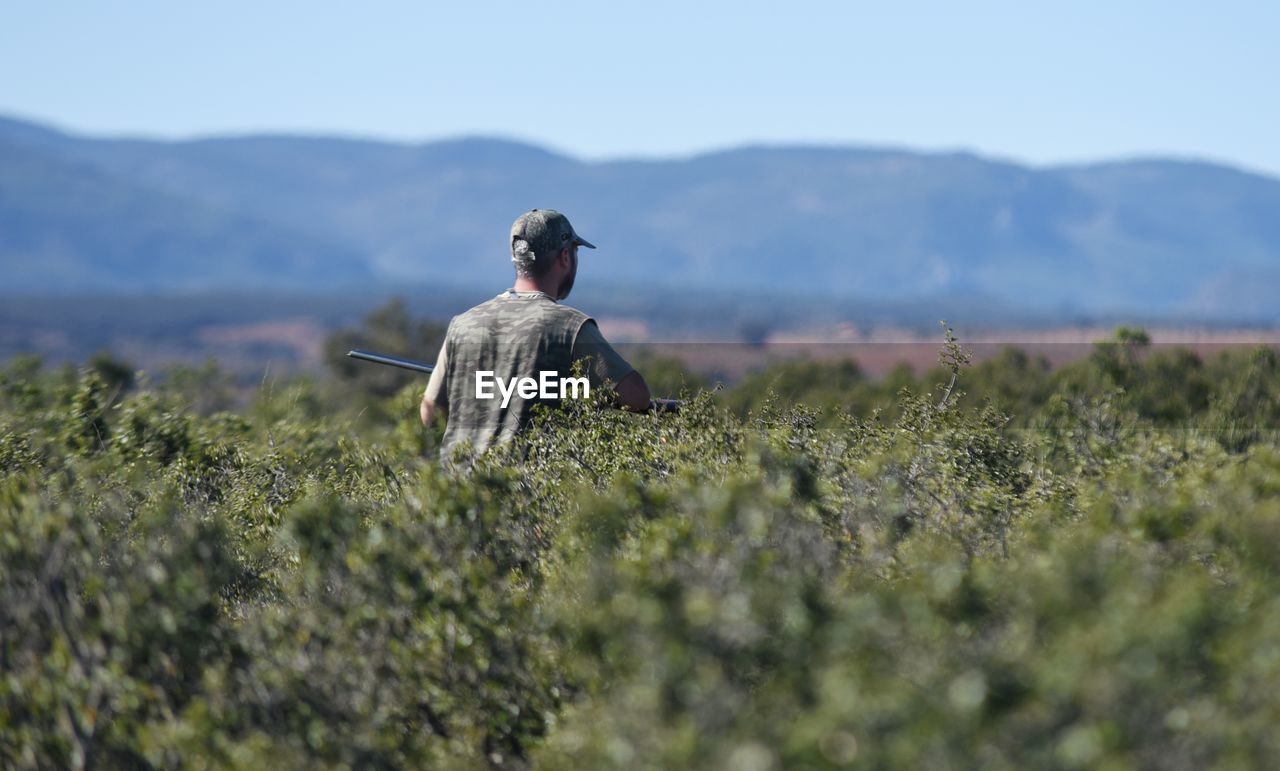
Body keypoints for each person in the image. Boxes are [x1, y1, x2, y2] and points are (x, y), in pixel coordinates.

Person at [419, 209, 653, 457]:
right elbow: (636, 396)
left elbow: (430, 413)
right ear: (565, 257)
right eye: (574, 252)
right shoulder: (569, 326)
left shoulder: (463, 324)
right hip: (529, 491)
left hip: (456, 489)